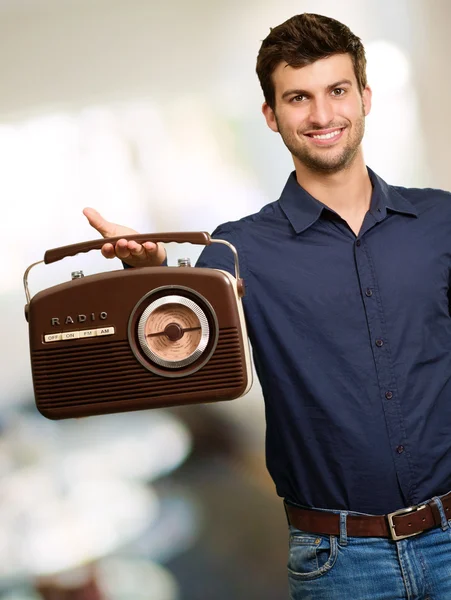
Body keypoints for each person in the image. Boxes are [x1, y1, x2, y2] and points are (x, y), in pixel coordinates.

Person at [83, 13, 451, 600]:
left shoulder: (439, 221)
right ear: (271, 115)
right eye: (298, 98)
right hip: (341, 563)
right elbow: (181, 348)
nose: (323, 115)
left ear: (365, 97)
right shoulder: (238, 247)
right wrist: (149, 277)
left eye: (337, 91)